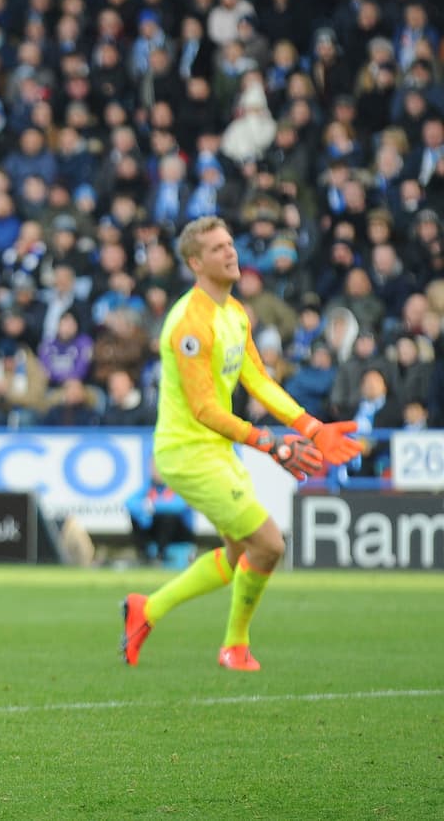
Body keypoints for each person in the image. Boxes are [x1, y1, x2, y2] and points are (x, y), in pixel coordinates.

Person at [120, 216, 361, 672]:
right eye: (216, 249)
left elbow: (258, 380)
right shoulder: (189, 324)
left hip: (216, 450)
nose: (230, 253)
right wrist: (270, 443)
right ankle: (235, 646)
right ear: (195, 262)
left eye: (230, 244)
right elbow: (205, 410)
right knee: (269, 545)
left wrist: (311, 427)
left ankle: (144, 611)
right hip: (187, 453)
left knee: (238, 555)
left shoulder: (234, 313)